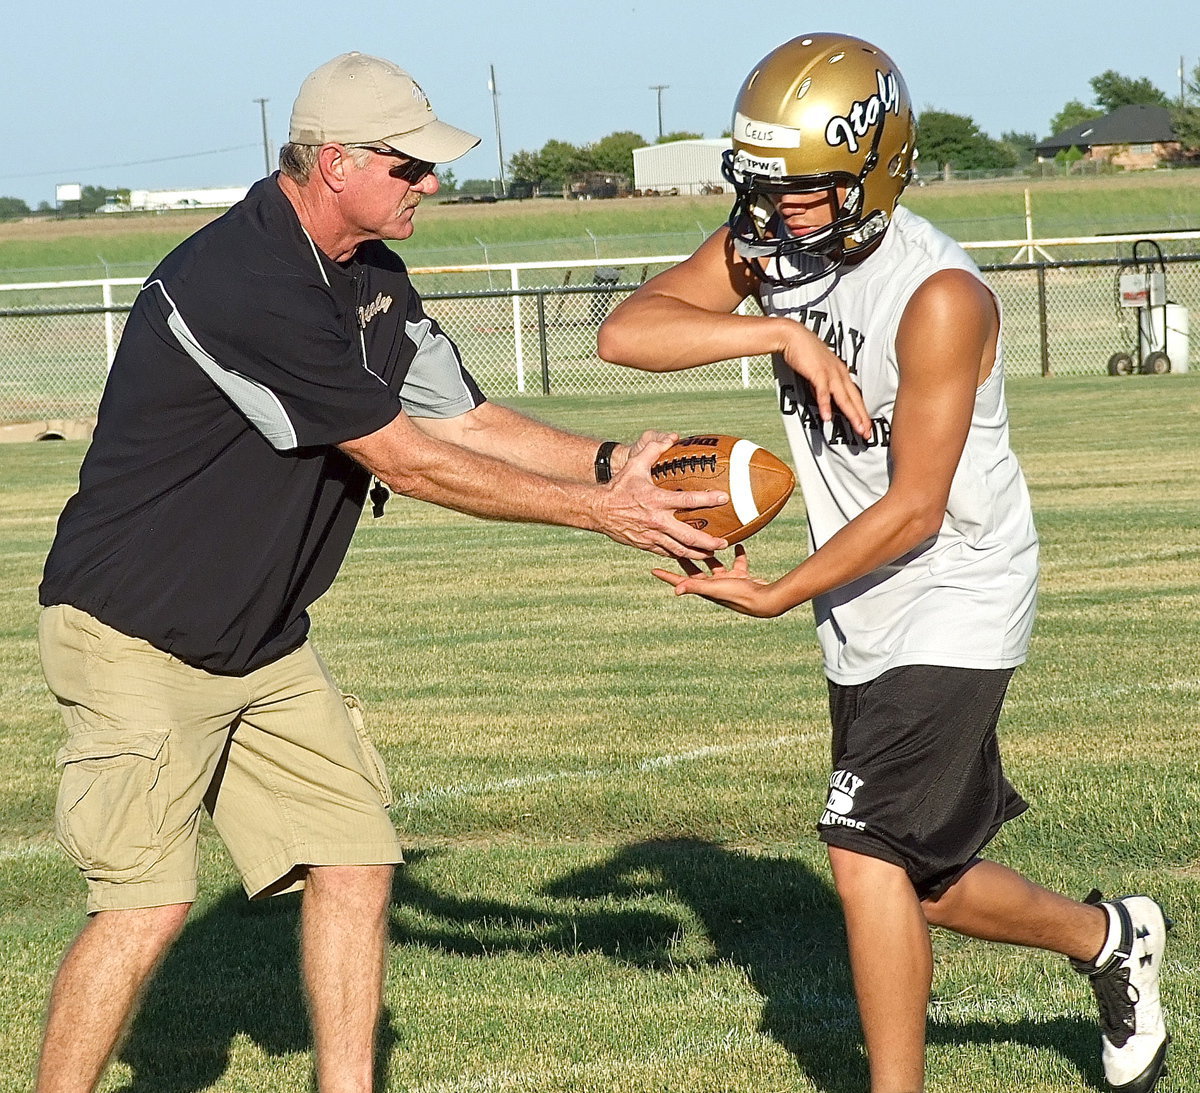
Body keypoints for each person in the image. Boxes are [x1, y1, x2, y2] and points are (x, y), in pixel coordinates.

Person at [32, 51, 874, 1093]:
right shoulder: (245, 279)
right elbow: (406, 459)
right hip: (137, 633)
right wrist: (603, 512)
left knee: (354, 858)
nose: (432, 183)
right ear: (334, 163)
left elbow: (465, 418)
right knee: (144, 902)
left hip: (263, 637)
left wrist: (615, 463)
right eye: (410, 167)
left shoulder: (372, 276)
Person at [598, 33, 1170, 1093]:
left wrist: (776, 590)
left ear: (878, 168)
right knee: (932, 880)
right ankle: (1110, 937)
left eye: (807, 190)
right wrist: (769, 339)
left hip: (957, 582)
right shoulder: (769, 246)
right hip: (861, 600)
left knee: (861, 848)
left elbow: (915, 509)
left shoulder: (939, 296)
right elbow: (625, 332)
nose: (782, 210)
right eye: (767, 185)